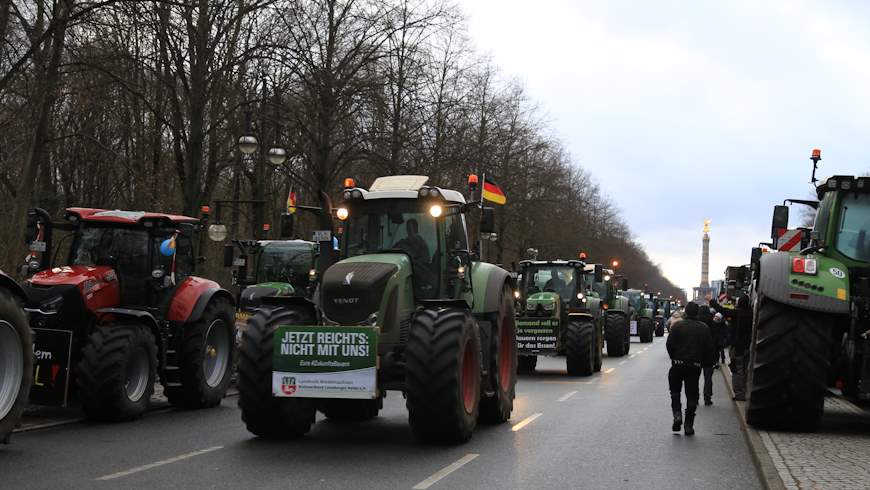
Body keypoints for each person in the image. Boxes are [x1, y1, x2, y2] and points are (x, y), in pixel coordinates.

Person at [666, 301, 715, 435]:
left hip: (678, 364)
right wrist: (703, 363)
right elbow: (709, 348)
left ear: (685, 312)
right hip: (694, 366)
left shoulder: (677, 326)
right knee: (692, 396)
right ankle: (689, 425)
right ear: (697, 313)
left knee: (675, 392)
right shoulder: (704, 328)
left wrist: (674, 358)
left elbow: (669, 344)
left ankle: (677, 415)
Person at [710, 293, 752, 400]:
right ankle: (746, 391)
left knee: (737, 370)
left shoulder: (737, 314)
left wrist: (711, 301)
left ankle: (740, 394)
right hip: (748, 347)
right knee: (745, 370)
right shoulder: (751, 313)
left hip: (737, 347)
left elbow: (722, 309)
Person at [697, 306, 719, 406]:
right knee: (708, 378)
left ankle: (695, 397)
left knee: (694, 378)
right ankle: (707, 398)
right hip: (709, 354)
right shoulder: (713, 323)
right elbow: (717, 339)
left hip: (696, 355)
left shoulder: (696, 323)